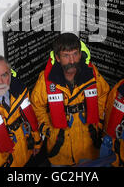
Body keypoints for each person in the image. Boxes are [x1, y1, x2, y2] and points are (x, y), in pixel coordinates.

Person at [30, 32, 110, 166]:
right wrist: (47, 129)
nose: (72, 61)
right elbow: (36, 105)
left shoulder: (92, 74)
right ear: (58, 58)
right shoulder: (46, 80)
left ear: (80, 54)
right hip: (60, 147)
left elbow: (104, 94)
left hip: (89, 145)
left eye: (75, 54)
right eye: (66, 56)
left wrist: (99, 121)